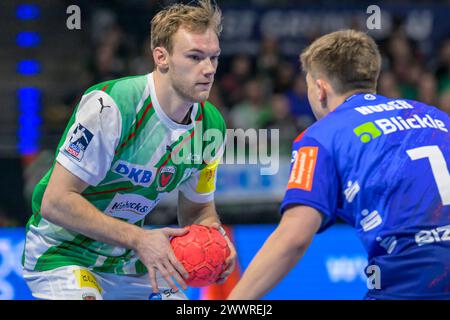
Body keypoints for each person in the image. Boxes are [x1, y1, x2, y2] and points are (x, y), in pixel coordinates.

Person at [22, 0, 236, 300]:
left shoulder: (211, 125)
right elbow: (55, 202)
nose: (209, 69)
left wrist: (216, 239)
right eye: (195, 57)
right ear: (161, 57)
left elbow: (198, 210)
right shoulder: (112, 105)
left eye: (214, 58)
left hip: (129, 260)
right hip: (64, 254)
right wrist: (139, 238)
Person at [228, 30, 450, 300]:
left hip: (413, 284)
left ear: (320, 89)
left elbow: (294, 236)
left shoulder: (321, 136)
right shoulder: (435, 116)